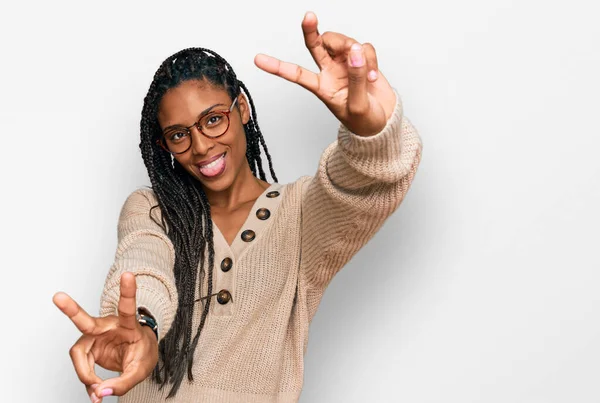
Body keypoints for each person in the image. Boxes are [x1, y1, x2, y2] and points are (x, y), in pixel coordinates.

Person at [52, 11, 423, 403]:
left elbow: (359, 186)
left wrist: (367, 131)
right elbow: (143, 261)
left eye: (213, 119)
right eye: (179, 135)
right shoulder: (152, 208)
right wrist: (143, 324)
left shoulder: (299, 215)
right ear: (165, 146)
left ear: (241, 108)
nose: (200, 146)